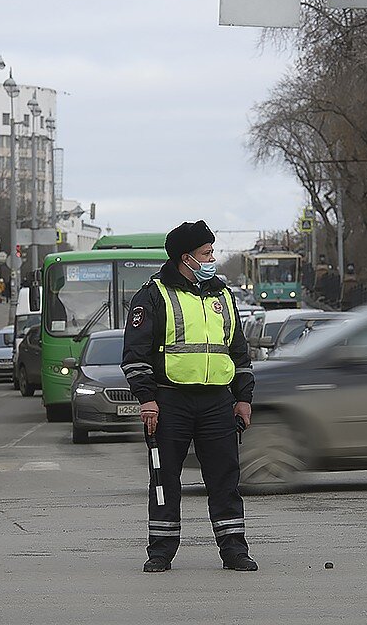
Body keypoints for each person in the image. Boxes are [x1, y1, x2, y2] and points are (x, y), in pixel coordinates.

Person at [122, 220, 257, 574]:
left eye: (212, 251)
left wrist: (243, 398)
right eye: (207, 253)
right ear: (187, 257)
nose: (212, 258)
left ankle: (234, 550)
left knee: (225, 479)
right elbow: (135, 355)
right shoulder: (153, 295)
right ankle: (161, 552)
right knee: (165, 479)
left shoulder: (223, 295)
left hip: (217, 403)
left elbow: (238, 353)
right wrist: (147, 400)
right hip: (170, 403)